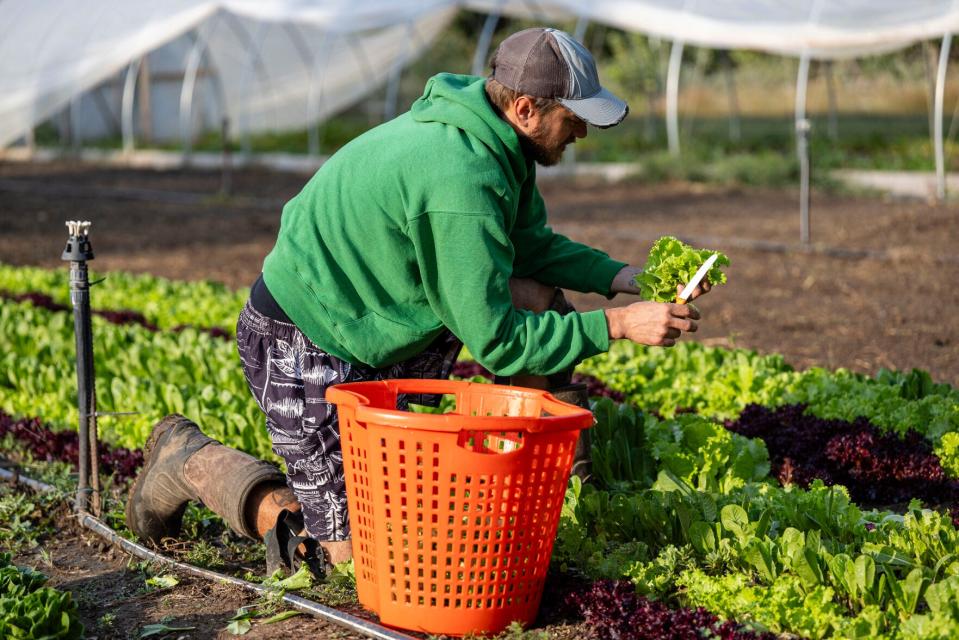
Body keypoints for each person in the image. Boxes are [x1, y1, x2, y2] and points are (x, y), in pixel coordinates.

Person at [125, 27, 708, 573]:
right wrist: (620, 325)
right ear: (525, 108)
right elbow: (499, 344)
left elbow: (530, 247)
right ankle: (188, 459)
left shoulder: (502, 146)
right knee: (350, 554)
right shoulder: (459, 178)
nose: (582, 132)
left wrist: (627, 276)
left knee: (532, 293)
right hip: (306, 339)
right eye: (573, 117)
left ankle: (562, 482)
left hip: (381, 324)